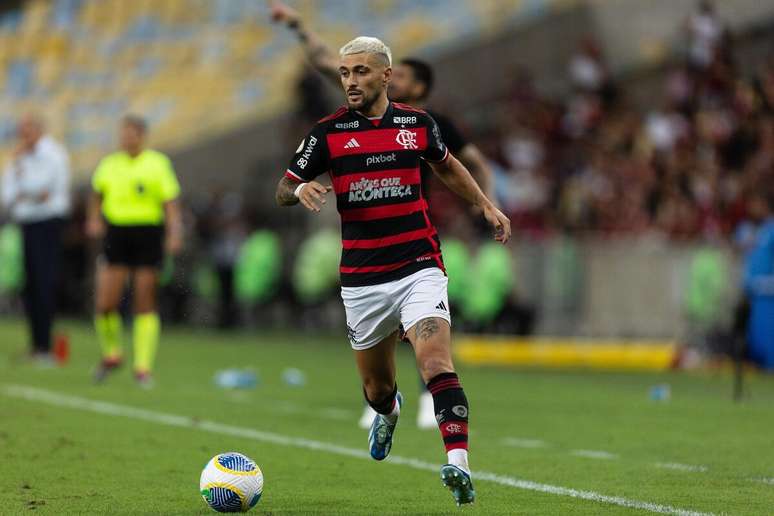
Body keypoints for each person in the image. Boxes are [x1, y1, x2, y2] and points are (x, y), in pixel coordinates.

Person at [275, 36, 510, 506]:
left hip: (419, 264)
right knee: (378, 389)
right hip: (363, 279)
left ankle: (458, 462)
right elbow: (284, 186)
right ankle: (388, 412)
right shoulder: (327, 133)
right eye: (344, 73)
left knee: (436, 361)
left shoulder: (417, 124)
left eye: (361, 71)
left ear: (386, 76)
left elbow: (449, 167)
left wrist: (485, 205)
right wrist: (298, 192)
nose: (351, 81)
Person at [86, 115, 183, 387]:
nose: (127, 138)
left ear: (142, 135)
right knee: (105, 303)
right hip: (116, 233)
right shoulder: (109, 164)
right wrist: (94, 218)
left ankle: (142, 367)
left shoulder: (158, 163)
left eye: (132, 133)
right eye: (123, 133)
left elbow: (170, 203)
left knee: (144, 301)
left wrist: (174, 233)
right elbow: (95, 194)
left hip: (148, 234)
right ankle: (113, 353)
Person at [1, 113, 70, 363]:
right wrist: (27, 192)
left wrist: (25, 191)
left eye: (27, 130)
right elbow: (7, 194)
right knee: (29, 285)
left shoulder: (53, 155)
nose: (23, 136)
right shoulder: (18, 158)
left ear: (39, 130)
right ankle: (37, 345)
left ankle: (46, 346)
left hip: (48, 223)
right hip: (27, 224)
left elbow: (44, 190)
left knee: (44, 283)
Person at [742, 191, 774, 370]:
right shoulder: (757, 230)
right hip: (757, 292)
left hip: (769, 293)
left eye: (755, 204)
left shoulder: (772, 230)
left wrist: (768, 282)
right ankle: (763, 365)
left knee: (769, 335)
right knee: (758, 337)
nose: (752, 208)